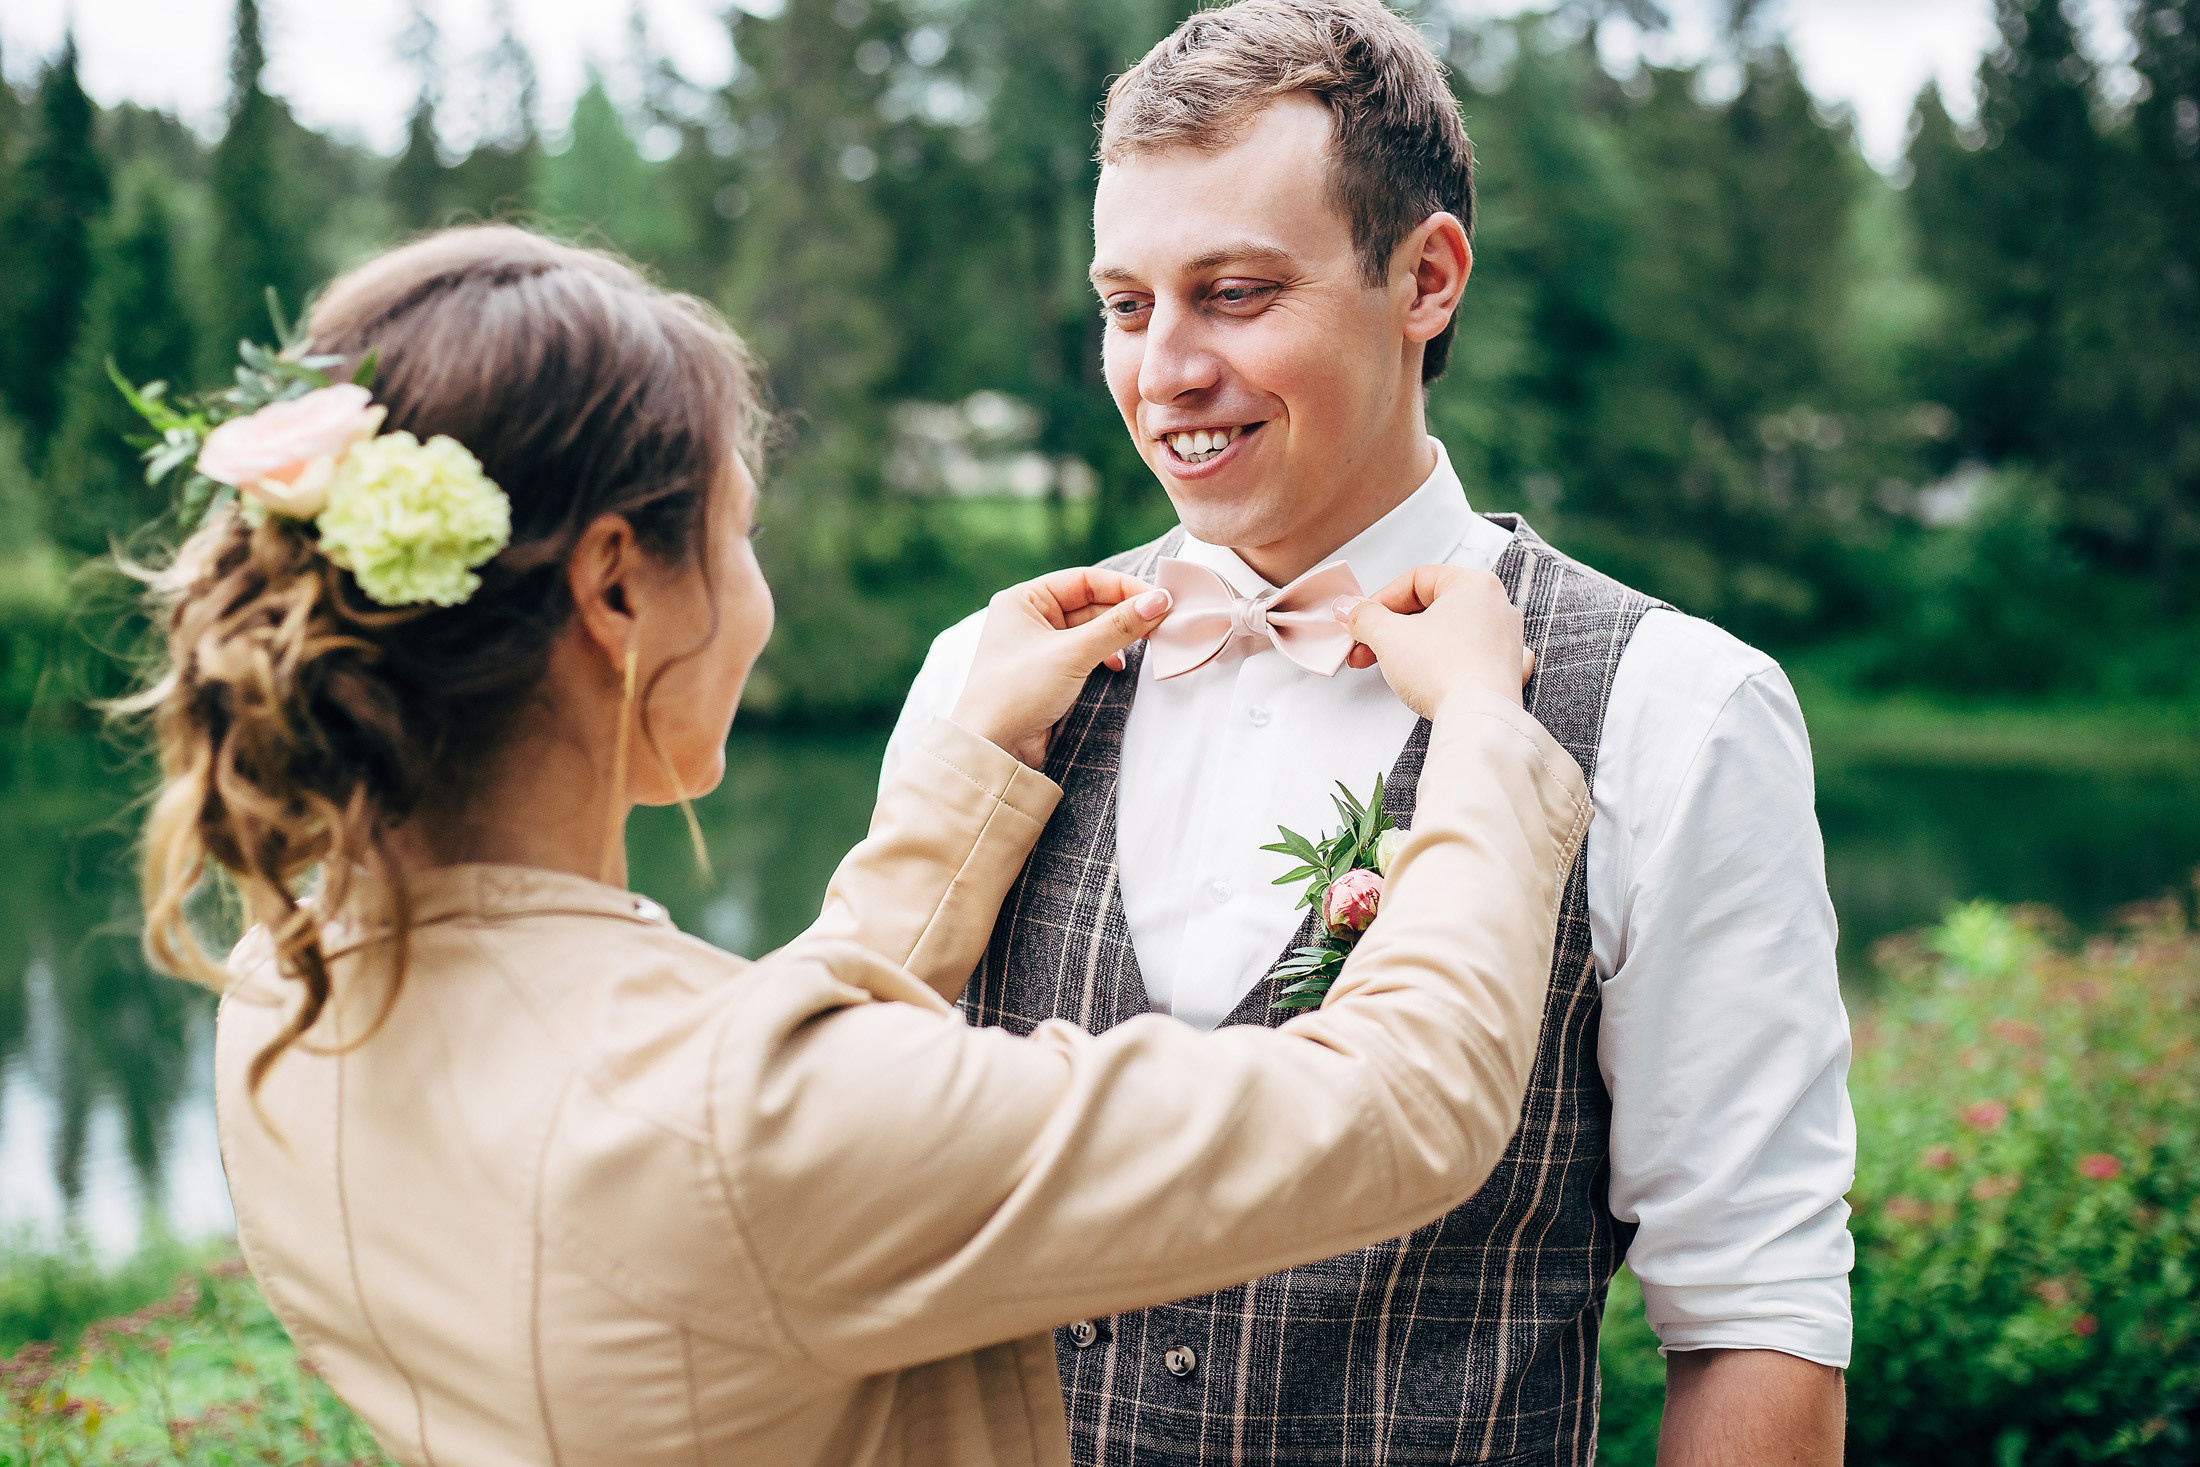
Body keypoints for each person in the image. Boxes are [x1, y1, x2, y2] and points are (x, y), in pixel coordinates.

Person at [133, 226, 1588, 1467]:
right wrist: (1475, 728)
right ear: (617, 593)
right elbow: (1403, 1105)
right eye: (739, 530)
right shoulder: (735, 1127)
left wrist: (962, 780)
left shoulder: (291, 989)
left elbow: (728, 1131)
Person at [883, 2, 1856, 1462]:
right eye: (1128, 304)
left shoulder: (1675, 708)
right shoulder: (986, 674)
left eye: (1237, 292)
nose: (1164, 373)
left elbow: (1753, 1313)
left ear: (1427, 278)